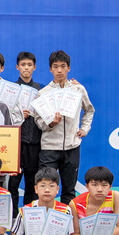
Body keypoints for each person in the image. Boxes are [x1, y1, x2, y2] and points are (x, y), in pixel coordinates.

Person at [33, 50, 95, 204]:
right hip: (49, 148)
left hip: (72, 147)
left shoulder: (78, 89)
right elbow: (38, 121)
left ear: (69, 68)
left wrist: (84, 129)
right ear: (50, 69)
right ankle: (44, 218)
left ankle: (67, 219)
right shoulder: (43, 93)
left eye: (63, 66)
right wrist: (51, 123)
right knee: (45, 189)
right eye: (55, 67)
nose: (59, 70)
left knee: (69, 190)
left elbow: (89, 110)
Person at [7, 51, 42, 209]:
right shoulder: (11, 90)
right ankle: (13, 216)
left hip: (35, 143)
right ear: (17, 67)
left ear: (34, 67)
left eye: (29, 65)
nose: (26, 68)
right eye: (23, 65)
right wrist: (19, 114)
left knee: (32, 183)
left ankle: (29, 217)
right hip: (16, 144)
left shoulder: (41, 90)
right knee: (13, 184)